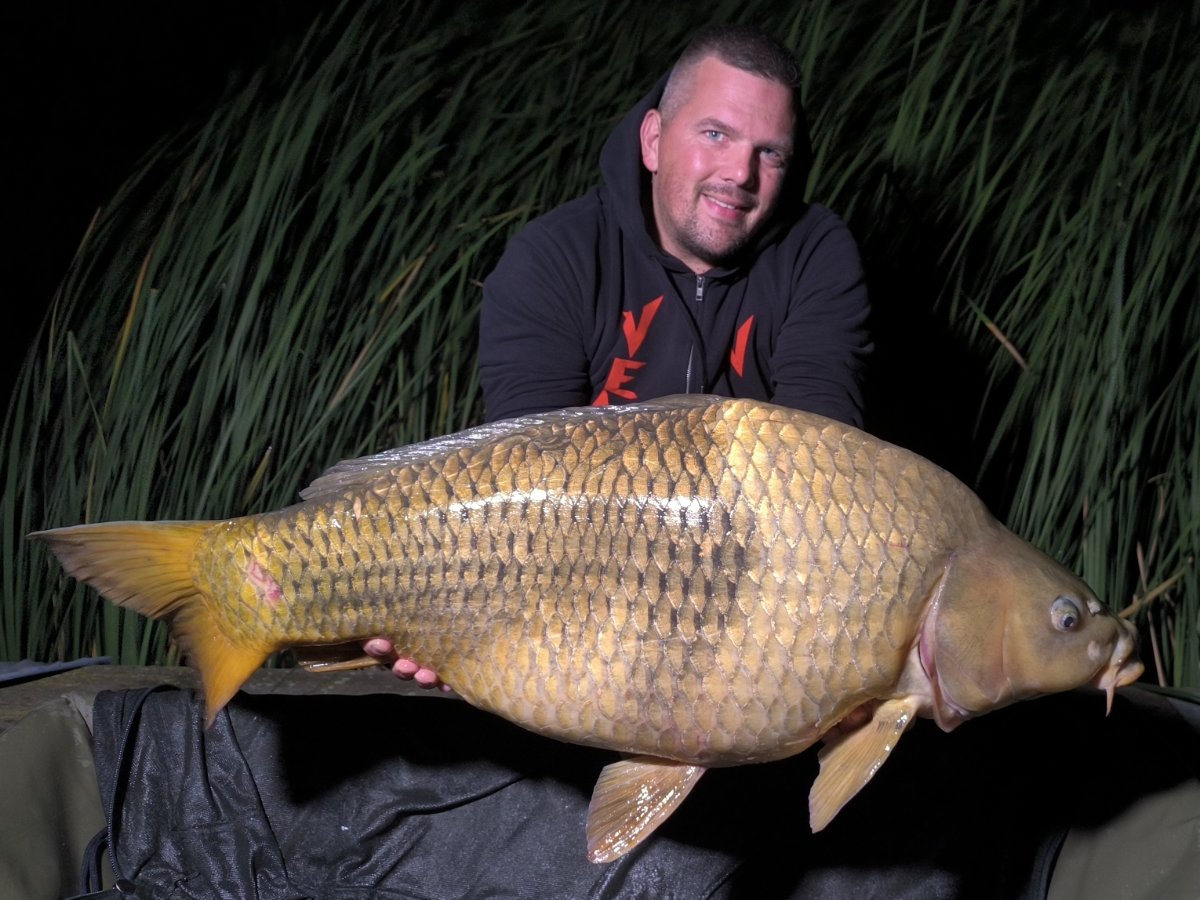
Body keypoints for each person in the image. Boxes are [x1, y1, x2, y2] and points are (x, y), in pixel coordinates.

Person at [367, 22, 871, 685]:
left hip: (752, 616)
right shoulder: (555, 260)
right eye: (715, 135)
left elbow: (819, 487)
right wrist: (451, 615)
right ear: (654, 140)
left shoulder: (817, 256)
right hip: (579, 609)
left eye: (769, 153)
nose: (739, 174)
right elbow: (525, 494)